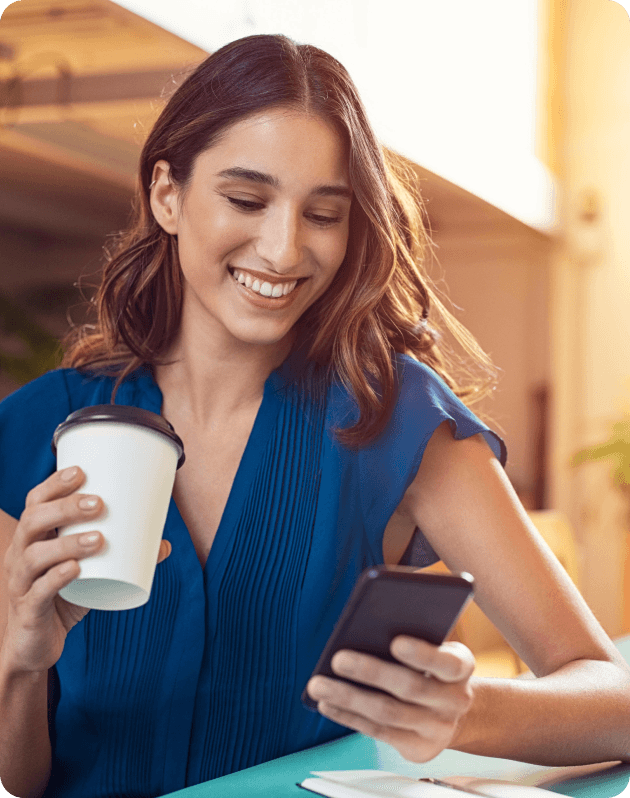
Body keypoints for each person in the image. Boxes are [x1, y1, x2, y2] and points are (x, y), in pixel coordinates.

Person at [0, 33, 629, 798]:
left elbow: (611, 696)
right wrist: (20, 664)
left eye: (324, 214)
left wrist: (470, 711)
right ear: (168, 194)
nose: (283, 248)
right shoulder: (34, 432)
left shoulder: (396, 422)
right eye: (246, 199)